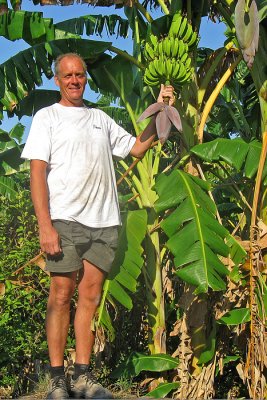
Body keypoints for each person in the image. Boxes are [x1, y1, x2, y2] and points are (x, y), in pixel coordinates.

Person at [21, 52, 175, 399]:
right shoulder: (47, 118)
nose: (75, 80)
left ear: (85, 79)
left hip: (104, 222)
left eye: (80, 75)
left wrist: (160, 110)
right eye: (68, 75)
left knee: (89, 298)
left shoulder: (100, 119)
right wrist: (45, 225)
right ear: (57, 80)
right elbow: (37, 173)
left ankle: (83, 377)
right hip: (65, 219)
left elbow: (136, 149)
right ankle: (57, 379)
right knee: (61, 296)